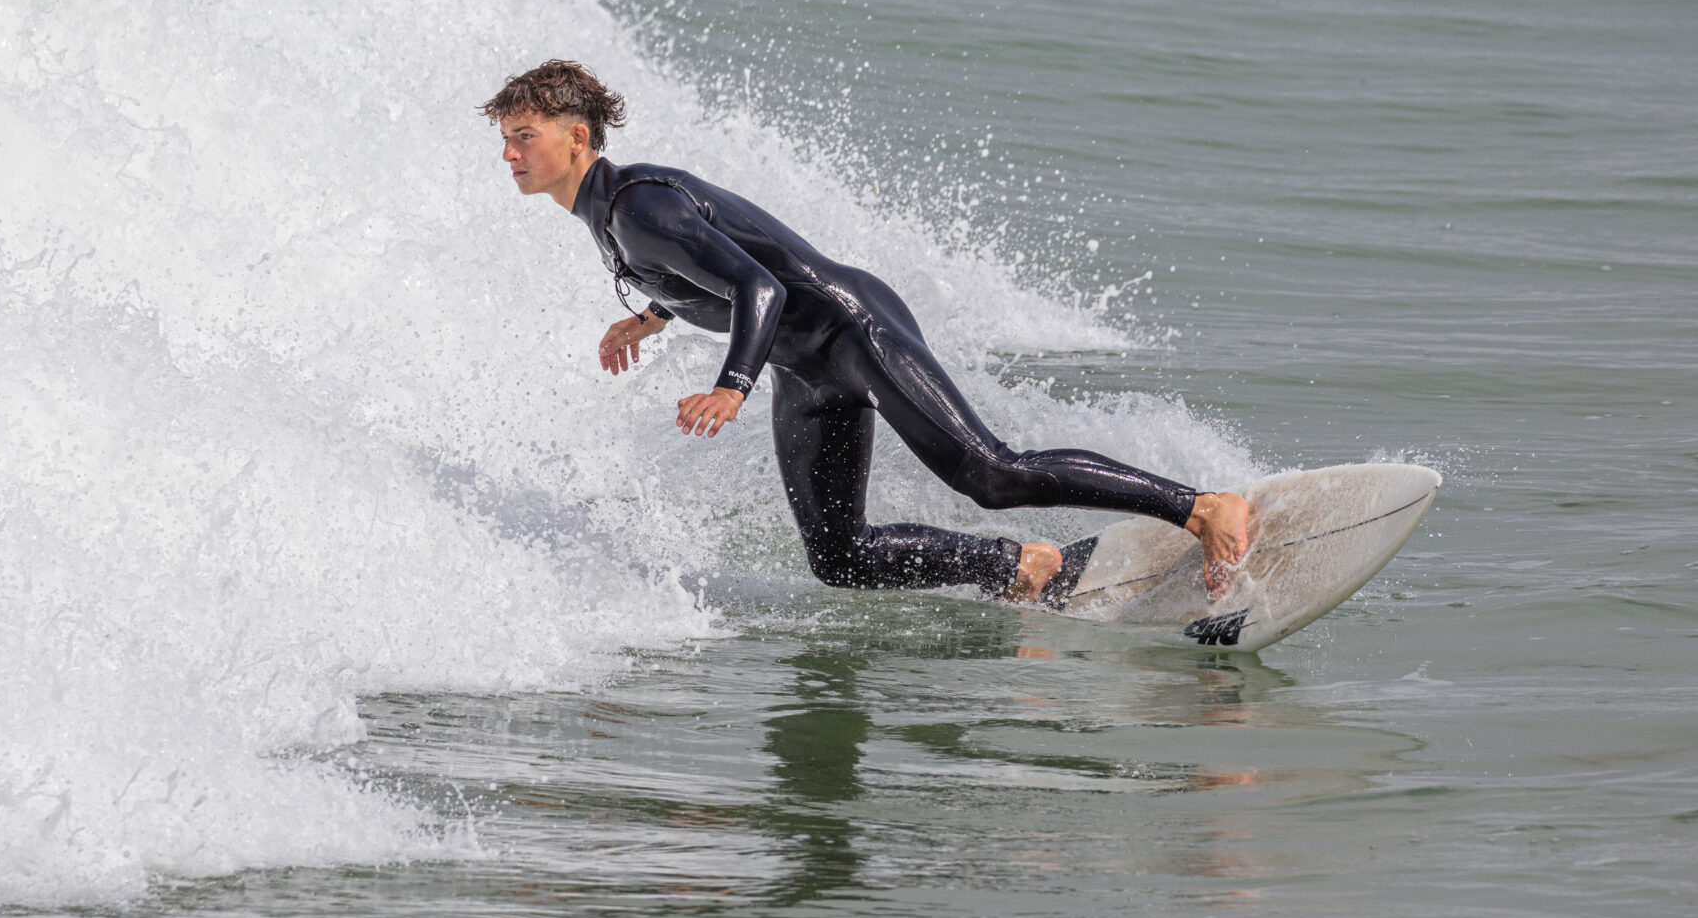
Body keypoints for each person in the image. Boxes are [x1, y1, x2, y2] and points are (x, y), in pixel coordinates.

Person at [484, 60, 1251, 604]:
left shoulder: (636, 208)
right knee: (839, 555)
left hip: (853, 329)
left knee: (988, 473)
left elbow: (760, 285)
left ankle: (1202, 507)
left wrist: (731, 385)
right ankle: (1024, 567)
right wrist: (650, 318)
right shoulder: (611, 215)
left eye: (524, 136)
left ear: (577, 135)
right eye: (506, 140)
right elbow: (715, 270)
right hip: (807, 365)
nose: (510, 154)